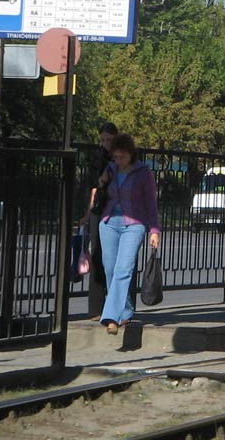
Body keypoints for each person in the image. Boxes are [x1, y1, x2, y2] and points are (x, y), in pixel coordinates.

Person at [96, 133, 160, 335]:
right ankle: (125, 310)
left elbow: (151, 203)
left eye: (122, 156)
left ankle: (110, 317)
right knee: (110, 269)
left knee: (124, 269)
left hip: (134, 224)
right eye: (115, 157)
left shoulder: (143, 172)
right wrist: (102, 180)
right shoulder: (111, 169)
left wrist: (154, 230)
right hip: (108, 223)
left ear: (131, 154)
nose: (119, 161)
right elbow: (99, 191)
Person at [81, 121, 118, 320]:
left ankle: (117, 304)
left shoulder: (123, 157)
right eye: (103, 139)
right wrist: (88, 213)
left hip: (118, 210)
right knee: (97, 253)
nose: (106, 143)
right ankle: (96, 307)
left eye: (109, 140)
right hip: (100, 208)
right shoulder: (98, 158)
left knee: (116, 259)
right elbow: (94, 188)